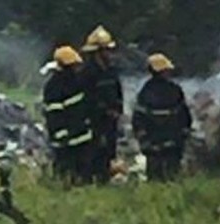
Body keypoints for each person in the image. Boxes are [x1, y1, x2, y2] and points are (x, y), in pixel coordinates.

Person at [132, 53, 192, 181]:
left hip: (153, 141)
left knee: (154, 176)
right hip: (172, 140)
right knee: (171, 175)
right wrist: (184, 131)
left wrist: (141, 135)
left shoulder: (145, 91)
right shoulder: (174, 90)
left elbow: (138, 117)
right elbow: (184, 114)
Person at [42, 46, 93, 184]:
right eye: (74, 66)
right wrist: (61, 134)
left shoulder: (77, 82)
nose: (77, 68)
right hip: (65, 139)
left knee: (83, 173)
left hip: (81, 136)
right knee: (65, 171)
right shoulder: (54, 87)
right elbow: (54, 114)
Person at [81, 25, 124, 184]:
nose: (109, 54)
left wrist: (118, 110)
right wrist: (104, 111)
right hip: (94, 121)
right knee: (94, 151)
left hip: (110, 121)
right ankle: (90, 180)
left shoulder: (111, 71)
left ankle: (104, 179)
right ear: (97, 52)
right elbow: (87, 98)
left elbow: (118, 92)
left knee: (108, 152)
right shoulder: (87, 73)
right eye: (106, 50)